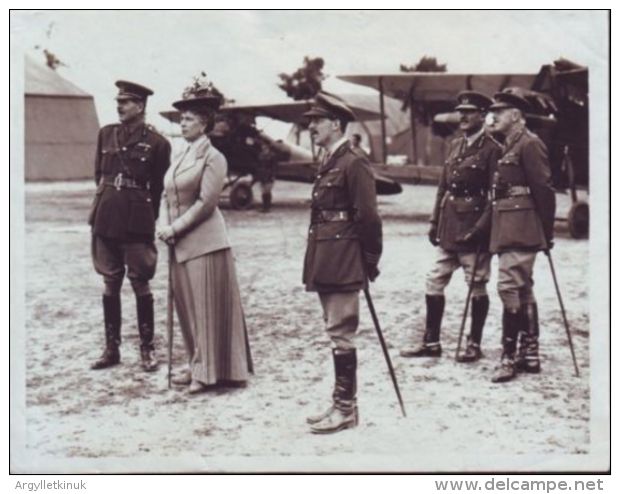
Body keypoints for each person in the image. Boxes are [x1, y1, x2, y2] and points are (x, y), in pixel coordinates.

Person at [157, 86, 252, 394]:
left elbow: (207, 202)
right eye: (181, 119)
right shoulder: (182, 154)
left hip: (205, 242)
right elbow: (165, 193)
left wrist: (175, 228)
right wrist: (162, 223)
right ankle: (196, 361)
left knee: (205, 307)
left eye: (188, 119)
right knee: (187, 307)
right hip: (180, 243)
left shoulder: (214, 157)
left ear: (204, 124)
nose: (182, 124)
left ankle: (209, 373)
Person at [302, 92, 382, 434]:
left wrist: (368, 259)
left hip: (345, 257)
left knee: (341, 331)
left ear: (336, 124)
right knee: (334, 330)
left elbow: (369, 217)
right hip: (327, 255)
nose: (311, 127)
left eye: (317, 121)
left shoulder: (354, 161)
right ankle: (340, 403)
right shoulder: (329, 160)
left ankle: (346, 408)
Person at [400, 91, 500, 362]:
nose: (463, 116)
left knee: (476, 285)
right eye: (461, 111)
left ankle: (474, 345)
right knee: (433, 281)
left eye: (469, 111)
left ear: (483, 115)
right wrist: (434, 222)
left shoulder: (493, 150)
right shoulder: (455, 145)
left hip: (474, 230)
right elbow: (442, 188)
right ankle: (431, 342)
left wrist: (480, 230)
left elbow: (496, 197)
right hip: (450, 227)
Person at [88, 80, 170, 372]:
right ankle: (112, 349)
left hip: (137, 219)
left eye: (126, 102)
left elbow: (159, 186)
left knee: (140, 281)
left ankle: (147, 349)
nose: (119, 106)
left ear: (140, 106)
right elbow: (99, 174)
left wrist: (150, 219)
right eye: (118, 101)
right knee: (110, 281)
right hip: (106, 215)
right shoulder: (105, 134)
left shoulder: (158, 143)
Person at [487, 90, 556, 383]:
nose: (494, 116)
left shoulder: (529, 144)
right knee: (523, 288)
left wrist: (547, 230)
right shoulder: (508, 144)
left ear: (516, 115)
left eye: (500, 112)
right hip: (510, 224)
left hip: (523, 226)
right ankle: (530, 352)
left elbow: (544, 189)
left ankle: (509, 356)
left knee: (507, 287)